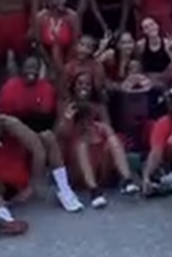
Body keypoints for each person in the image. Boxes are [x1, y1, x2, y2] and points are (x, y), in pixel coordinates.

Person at [57, 71, 141, 206]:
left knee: (113, 140)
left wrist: (96, 126)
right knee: (81, 144)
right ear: (74, 86)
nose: (83, 87)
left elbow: (108, 129)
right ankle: (94, 190)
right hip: (77, 162)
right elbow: (60, 135)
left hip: (99, 154)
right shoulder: (67, 105)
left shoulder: (99, 106)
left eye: (87, 84)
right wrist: (68, 118)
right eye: (80, 84)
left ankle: (127, 180)